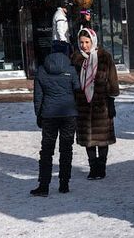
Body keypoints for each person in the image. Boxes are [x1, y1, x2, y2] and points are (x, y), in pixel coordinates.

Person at [31, 40, 81, 196]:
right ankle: (64, 184)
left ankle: (44, 185)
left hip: (49, 115)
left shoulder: (41, 70)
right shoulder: (71, 70)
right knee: (66, 149)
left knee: (46, 151)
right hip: (69, 114)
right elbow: (77, 89)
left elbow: (38, 97)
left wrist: (39, 115)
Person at [71, 28, 119, 180]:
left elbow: (113, 79)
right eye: (81, 42)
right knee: (88, 140)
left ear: (93, 41)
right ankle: (93, 167)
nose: (84, 45)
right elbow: (72, 82)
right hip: (83, 104)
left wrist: (111, 101)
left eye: (87, 42)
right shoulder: (76, 58)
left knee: (102, 138)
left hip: (101, 104)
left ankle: (102, 167)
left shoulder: (104, 57)